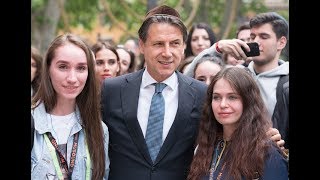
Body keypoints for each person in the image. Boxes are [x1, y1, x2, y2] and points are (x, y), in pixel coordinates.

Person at [101, 5, 208, 180]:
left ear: (183, 46)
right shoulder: (112, 90)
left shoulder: (201, 93)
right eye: (158, 44)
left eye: (174, 44)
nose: (167, 53)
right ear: (142, 45)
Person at [185, 12, 289, 150]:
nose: (255, 41)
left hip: (270, 161)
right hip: (229, 159)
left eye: (263, 36)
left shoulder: (286, 84)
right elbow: (187, 78)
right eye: (253, 36)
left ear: (281, 42)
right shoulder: (236, 73)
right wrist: (217, 47)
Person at [31, 33, 110, 179]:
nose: (72, 78)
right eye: (63, 67)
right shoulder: (33, 123)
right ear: (48, 68)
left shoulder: (99, 129)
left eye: (81, 68)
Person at [187, 67, 288, 180]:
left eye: (232, 97)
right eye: (216, 97)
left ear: (248, 101)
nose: (223, 104)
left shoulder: (267, 152)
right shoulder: (205, 146)